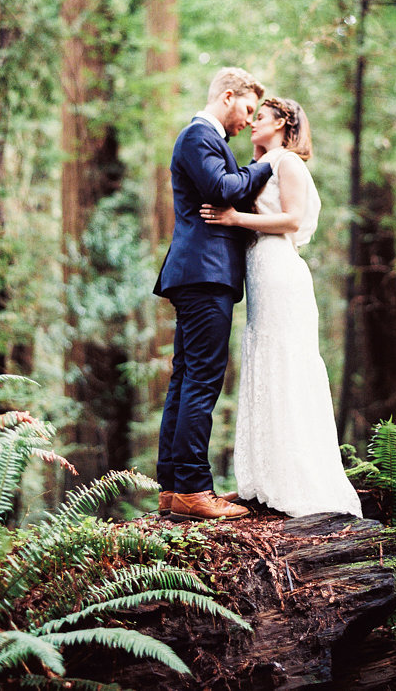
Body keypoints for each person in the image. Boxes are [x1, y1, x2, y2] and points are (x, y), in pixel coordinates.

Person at [201, 97, 362, 518]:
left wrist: (236, 220)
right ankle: (261, 480)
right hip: (259, 272)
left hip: (278, 269)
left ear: (284, 123)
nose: (253, 124)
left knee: (284, 361)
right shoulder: (263, 162)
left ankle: (297, 479)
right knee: (263, 360)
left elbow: (292, 220)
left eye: (262, 118)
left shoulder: (288, 163)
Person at [154, 67, 274, 522]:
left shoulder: (206, 139)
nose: (247, 121)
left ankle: (173, 488)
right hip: (204, 273)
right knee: (201, 379)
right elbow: (224, 189)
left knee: (186, 377)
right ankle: (191, 488)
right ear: (228, 97)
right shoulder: (198, 136)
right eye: (246, 109)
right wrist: (267, 164)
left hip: (197, 273)